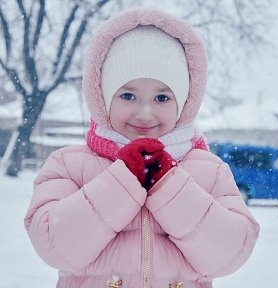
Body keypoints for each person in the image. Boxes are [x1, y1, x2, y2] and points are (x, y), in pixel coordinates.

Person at [24, 8, 259, 288]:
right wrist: (122, 181)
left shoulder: (210, 170)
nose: (145, 112)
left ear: (184, 103)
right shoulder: (69, 164)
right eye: (128, 95)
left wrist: (170, 186)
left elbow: (230, 254)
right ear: (102, 97)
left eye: (161, 97)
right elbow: (54, 245)